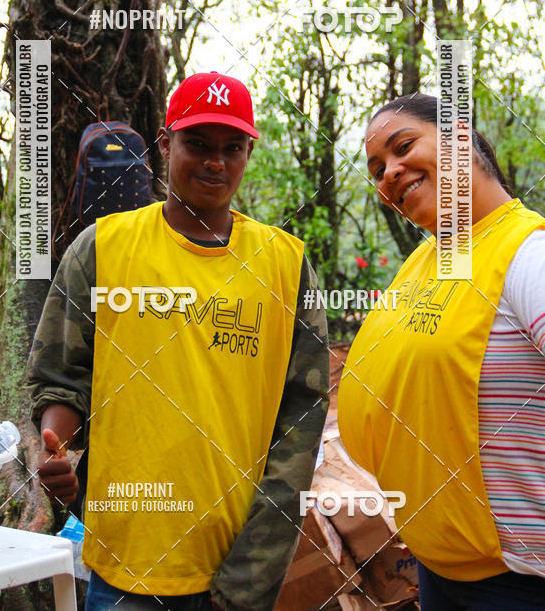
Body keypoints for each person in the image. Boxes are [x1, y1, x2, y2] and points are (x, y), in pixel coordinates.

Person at [28, 71, 329, 611]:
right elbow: (60, 376)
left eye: (232, 148)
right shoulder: (101, 249)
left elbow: (300, 427)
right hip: (125, 560)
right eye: (197, 144)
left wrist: (250, 576)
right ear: (166, 143)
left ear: (247, 154)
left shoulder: (285, 264)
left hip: (232, 565)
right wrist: (58, 448)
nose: (215, 162)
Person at [338, 93, 545, 610]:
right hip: (440, 572)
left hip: (519, 581)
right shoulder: (427, 262)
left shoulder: (527, 256)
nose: (388, 173)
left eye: (403, 146)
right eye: (377, 168)